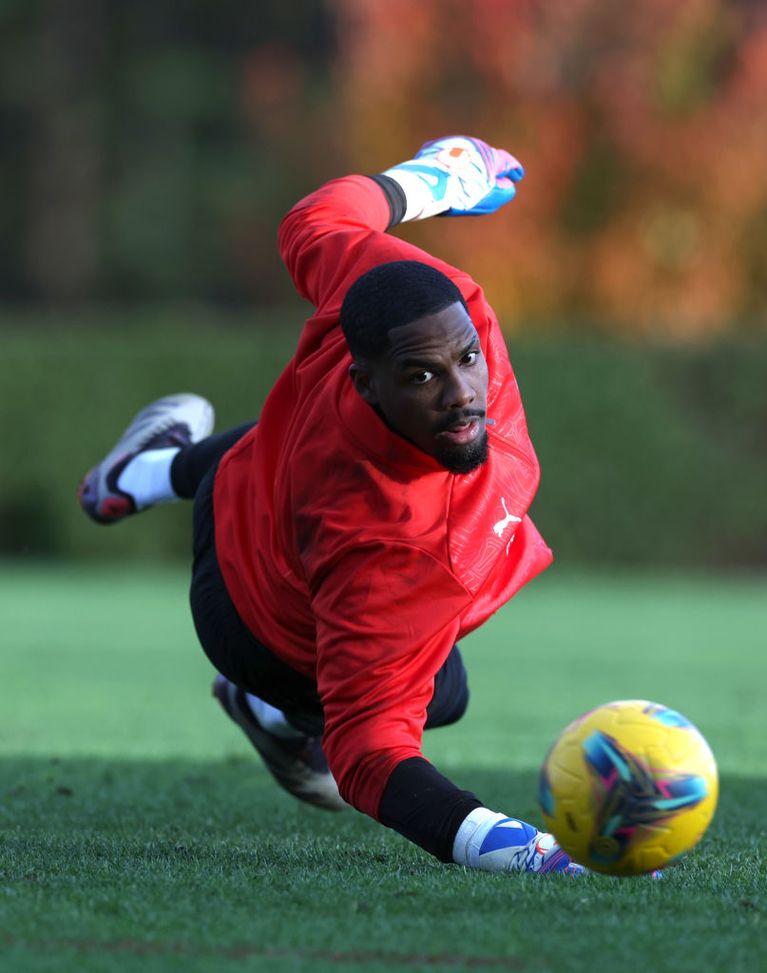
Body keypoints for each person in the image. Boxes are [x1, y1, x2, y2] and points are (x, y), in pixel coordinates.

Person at [79, 136, 583, 876]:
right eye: (421, 375)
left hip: (259, 480)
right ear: (367, 381)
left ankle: (139, 473)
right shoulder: (384, 554)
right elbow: (369, 759)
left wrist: (441, 175)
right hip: (252, 620)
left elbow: (314, 219)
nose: (461, 392)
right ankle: (272, 711)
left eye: (466, 359)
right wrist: (530, 851)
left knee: (260, 452)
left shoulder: (433, 301)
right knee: (442, 694)